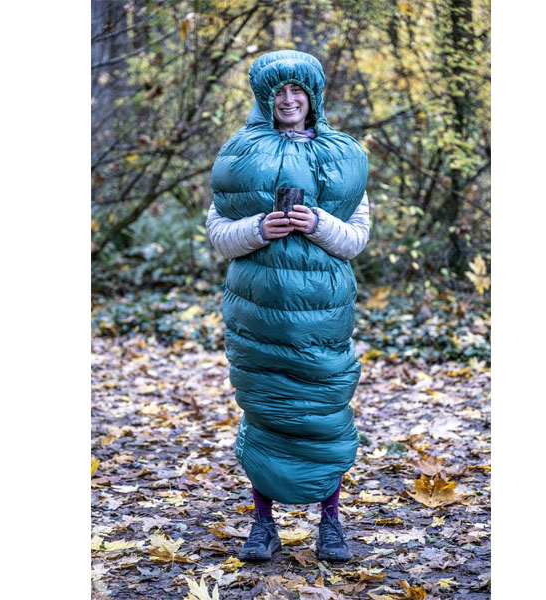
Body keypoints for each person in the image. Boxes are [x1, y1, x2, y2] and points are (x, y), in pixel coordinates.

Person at [206, 50, 370, 562]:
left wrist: (317, 223)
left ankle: (330, 522)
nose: (289, 99)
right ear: (264, 96)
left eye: (298, 88)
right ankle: (263, 524)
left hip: (323, 313)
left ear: (313, 95)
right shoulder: (242, 155)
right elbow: (219, 234)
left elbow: (357, 239)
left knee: (322, 413)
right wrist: (259, 228)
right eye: (278, 90)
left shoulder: (341, 157)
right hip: (257, 308)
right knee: (267, 410)